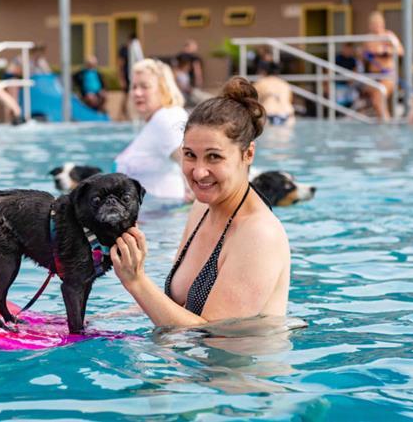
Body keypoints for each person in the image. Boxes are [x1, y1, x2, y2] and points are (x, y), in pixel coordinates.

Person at [111, 77, 291, 327]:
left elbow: (211, 333)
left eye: (214, 157)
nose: (198, 172)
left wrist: (136, 281)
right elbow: (175, 306)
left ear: (248, 154)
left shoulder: (259, 234)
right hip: (186, 351)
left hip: (236, 354)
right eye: (189, 155)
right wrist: (95, 323)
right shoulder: (202, 207)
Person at [114, 58, 188, 200]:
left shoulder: (167, 118)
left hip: (164, 210)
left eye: (145, 86)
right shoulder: (156, 121)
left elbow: (190, 161)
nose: (137, 93)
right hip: (155, 208)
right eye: (134, 87)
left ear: (163, 89)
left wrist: (195, 205)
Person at [362, 11, 404, 121]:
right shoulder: (368, 39)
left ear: (382, 24)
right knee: (373, 102)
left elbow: (400, 51)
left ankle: (386, 125)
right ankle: (382, 122)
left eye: (378, 23)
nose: (376, 26)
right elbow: (363, 56)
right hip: (373, 75)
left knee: (378, 99)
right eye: (373, 24)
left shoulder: (389, 36)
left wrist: (385, 50)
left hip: (387, 74)